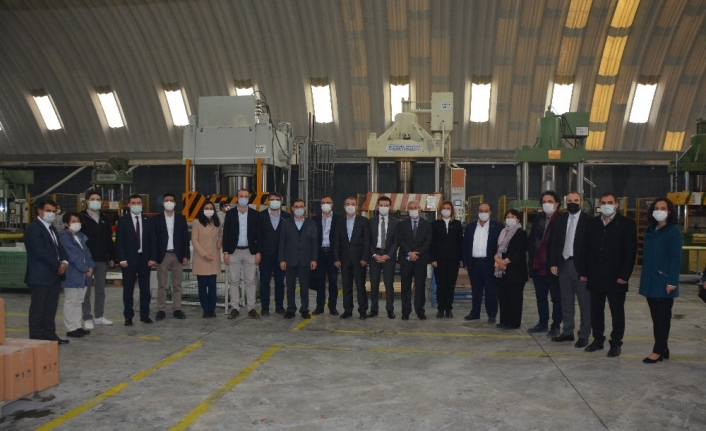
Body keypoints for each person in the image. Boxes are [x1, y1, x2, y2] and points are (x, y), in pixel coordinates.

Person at [578, 192, 637, 357]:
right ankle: (598, 339)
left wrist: (625, 275)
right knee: (596, 311)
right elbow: (585, 248)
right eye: (603, 202)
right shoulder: (592, 223)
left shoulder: (626, 224)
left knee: (617, 312)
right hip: (595, 275)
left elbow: (630, 252)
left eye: (610, 202)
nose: (606, 205)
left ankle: (616, 342)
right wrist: (583, 271)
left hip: (616, 277)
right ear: (599, 205)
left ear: (616, 205)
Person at [639, 198, 681, 363]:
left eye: (663, 208)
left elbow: (675, 258)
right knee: (656, 317)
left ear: (669, 211)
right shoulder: (651, 230)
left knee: (662, 317)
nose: (659, 211)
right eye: (657, 208)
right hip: (650, 281)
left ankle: (658, 350)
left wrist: (672, 281)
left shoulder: (673, 232)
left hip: (664, 281)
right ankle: (663, 346)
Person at [549, 191, 591, 347]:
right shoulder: (561, 220)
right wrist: (553, 263)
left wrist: (587, 269)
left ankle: (584, 334)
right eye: (569, 200)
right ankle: (567, 331)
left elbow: (591, 248)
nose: (572, 203)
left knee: (584, 303)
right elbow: (554, 242)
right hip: (564, 264)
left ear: (581, 202)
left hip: (580, 267)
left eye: (576, 200)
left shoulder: (589, 221)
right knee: (566, 301)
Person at [25, 199, 69, 344]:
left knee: (50, 308)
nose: (52, 214)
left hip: (54, 275)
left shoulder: (52, 228)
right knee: (38, 309)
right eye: (49, 211)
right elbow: (40, 251)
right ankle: (36, 339)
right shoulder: (34, 229)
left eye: (54, 211)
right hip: (40, 276)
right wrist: (57, 265)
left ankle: (50, 335)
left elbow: (58, 248)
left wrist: (65, 262)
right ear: (40, 211)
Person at [116, 194, 157, 326]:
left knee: (145, 289)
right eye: (133, 203)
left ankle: (145, 315)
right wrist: (121, 258)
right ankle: (128, 316)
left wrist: (153, 257)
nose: (136, 205)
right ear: (128, 205)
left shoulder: (148, 220)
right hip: (128, 261)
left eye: (138, 203)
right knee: (128, 290)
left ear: (142, 204)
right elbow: (119, 241)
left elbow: (152, 240)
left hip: (145, 260)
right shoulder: (123, 221)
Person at [527, 191, 562, 338]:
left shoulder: (561, 220)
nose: (547, 204)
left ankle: (556, 326)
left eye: (550, 201)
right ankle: (542, 323)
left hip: (553, 267)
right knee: (541, 296)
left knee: (556, 298)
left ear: (557, 204)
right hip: (538, 266)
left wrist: (557, 263)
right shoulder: (538, 219)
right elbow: (532, 240)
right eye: (544, 202)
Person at [222, 189, 261, 319]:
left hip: (250, 251)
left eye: (246, 196)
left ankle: (251, 308)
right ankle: (235, 308)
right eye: (241, 196)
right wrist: (226, 252)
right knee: (234, 281)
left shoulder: (255, 214)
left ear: (249, 198)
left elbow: (259, 235)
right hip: (234, 252)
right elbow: (225, 234)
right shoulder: (230, 214)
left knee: (251, 281)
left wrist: (258, 252)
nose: (243, 198)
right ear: (237, 198)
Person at [81, 190, 117, 329]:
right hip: (87, 260)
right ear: (87, 201)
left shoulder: (104, 218)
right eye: (93, 199)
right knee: (86, 291)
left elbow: (108, 239)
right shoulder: (81, 218)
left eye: (98, 199)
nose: (95, 201)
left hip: (101, 260)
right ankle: (87, 317)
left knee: (100, 289)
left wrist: (111, 256)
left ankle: (99, 316)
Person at [462, 202, 503, 323]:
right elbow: (465, 245)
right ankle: (475, 313)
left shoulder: (498, 227)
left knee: (491, 289)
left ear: (490, 212)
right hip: (474, 263)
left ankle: (492, 315)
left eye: (486, 211)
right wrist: (466, 262)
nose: (483, 213)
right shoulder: (470, 227)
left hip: (490, 263)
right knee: (476, 289)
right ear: (477, 212)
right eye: (481, 211)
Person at [278, 199, 318, 319]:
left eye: (301, 206)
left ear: (305, 209)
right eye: (296, 206)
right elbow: (282, 242)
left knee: (304, 286)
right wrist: (282, 259)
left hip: (305, 259)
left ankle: (304, 309)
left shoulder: (311, 223)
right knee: (290, 286)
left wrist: (314, 259)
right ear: (292, 209)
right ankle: (291, 309)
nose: (299, 209)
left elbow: (314, 242)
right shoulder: (286, 223)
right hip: (290, 259)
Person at [154, 193, 190, 320]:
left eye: (171, 200)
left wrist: (186, 255)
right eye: (166, 200)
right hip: (162, 255)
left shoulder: (181, 219)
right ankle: (161, 309)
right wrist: (153, 257)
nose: (169, 202)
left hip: (177, 255)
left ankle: (177, 309)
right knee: (162, 285)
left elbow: (185, 238)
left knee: (177, 285)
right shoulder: (157, 219)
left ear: (175, 203)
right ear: (163, 203)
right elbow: (153, 239)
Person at [58, 212, 95, 338]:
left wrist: (91, 267)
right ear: (66, 223)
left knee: (79, 301)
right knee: (71, 301)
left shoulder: (80, 236)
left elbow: (87, 254)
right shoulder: (64, 237)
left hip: (83, 275)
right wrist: (85, 268)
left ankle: (78, 326)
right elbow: (72, 256)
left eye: (78, 221)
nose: (77, 223)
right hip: (72, 274)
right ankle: (70, 328)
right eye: (73, 221)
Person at [334, 197, 371, 320]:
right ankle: (347, 310)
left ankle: (363, 310)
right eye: (348, 204)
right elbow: (336, 241)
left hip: (359, 260)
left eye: (353, 204)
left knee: (360, 286)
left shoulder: (363, 221)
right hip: (344, 260)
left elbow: (367, 241)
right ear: (344, 207)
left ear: (357, 207)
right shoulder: (339, 222)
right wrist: (336, 258)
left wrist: (365, 258)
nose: (350, 206)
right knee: (346, 286)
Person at [396, 200, 432, 320]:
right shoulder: (402, 224)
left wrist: (417, 253)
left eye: (415, 207)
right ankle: (405, 311)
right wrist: (409, 253)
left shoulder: (427, 224)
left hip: (420, 260)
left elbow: (428, 241)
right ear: (407, 210)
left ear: (420, 209)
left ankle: (420, 310)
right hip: (406, 260)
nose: (413, 210)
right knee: (405, 287)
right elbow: (400, 240)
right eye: (410, 208)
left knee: (420, 286)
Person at [494, 209, 528, 330]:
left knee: (515, 298)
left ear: (518, 219)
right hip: (502, 270)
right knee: (503, 297)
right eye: (508, 217)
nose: (510, 219)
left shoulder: (521, 233)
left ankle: (514, 323)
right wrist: (498, 260)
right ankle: (504, 320)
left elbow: (519, 252)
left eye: (513, 217)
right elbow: (497, 248)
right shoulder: (502, 232)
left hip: (515, 271)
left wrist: (505, 261)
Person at [258, 192, 290, 316]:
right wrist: (258, 252)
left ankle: (279, 307)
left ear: (281, 201)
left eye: (277, 199)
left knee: (280, 282)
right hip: (265, 255)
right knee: (264, 282)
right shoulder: (261, 216)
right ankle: (265, 308)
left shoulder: (287, 217)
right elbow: (258, 237)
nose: (275, 201)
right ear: (268, 201)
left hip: (281, 256)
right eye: (272, 199)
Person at [431, 201, 463, 318]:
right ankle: (440, 309)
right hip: (439, 259)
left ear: (452, 210)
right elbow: (432, 242)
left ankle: (448, 309)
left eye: (448, 208)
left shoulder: (457, 224)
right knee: (441, 285)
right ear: (441, 210)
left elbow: (460, 242)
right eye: (444, 208)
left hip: (453, 260)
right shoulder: (435, 224)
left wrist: (461, 258)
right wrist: (433, 259)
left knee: (450, 285)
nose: (446, 210)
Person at [368, 196, 398, 319]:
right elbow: (368, 240)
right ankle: (374, 309)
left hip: (388, 256)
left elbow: (396, 241)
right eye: (381, 205)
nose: (383, 207)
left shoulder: (395, 222)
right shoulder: (371, 222)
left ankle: (390, 310)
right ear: (377, 206)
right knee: (374, 284)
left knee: (389, 284)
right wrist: (374, 254)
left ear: (390, 207)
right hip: (374, 256)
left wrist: (388, 255)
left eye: (386, 205)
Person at [191, 202, 222, 318]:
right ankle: (205, 309)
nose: (209, 210)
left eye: (211, 208)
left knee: (213, 286)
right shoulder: (196, 222)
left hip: (213, 258)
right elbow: (194, 240)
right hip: (201, 259)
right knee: (202, 286)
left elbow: (220, 234)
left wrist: (220, 241)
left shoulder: (217, 222)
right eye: (206, 208)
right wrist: (204, 254)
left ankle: (212, 309)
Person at [313, 195, 340, 315]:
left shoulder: (339, 219)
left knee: (333, 282)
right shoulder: (315, 219)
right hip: (319, 254)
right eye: (323, 202)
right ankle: (319, 306)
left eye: (328, 202)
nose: (325, 204)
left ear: (332, 204)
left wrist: (338, 257)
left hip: (332, 255)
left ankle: (332, 307)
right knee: (320, 282)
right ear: (320, 205)